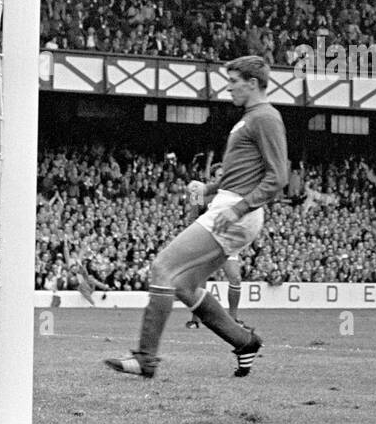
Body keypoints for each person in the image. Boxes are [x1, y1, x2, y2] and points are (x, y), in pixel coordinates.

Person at [104, 56, 288, 378]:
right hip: (230, 207)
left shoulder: (265, 118)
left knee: (162, 267)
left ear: (253, 83)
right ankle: (244, 342)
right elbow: (239, 177)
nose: (228, 87)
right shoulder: (250, 119)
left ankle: (146, 358)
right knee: (183, 287)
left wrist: (236, 208)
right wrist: (208, 188)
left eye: (233, 81)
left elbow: (278, 178)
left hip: (235, 212)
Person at [187, 164, 244, 328]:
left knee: (235, 277)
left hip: (227, 241)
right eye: (220, 175)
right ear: (212, 178)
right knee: (201, 279)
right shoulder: (199, 193)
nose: (223, 178)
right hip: (207, 239)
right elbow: (192, 217)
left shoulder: (233, 195)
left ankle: (233, 319)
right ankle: (195, 319)